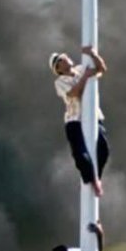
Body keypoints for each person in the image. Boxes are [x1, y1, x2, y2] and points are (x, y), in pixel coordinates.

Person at [50, 50, 110, 196]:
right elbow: (74, 93)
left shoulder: (81, 69)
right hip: (75, 120)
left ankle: (97, 177)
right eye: (60, 60)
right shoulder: (60, 82)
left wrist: (92, 54)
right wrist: (86, 76)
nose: (65, 58)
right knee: (81, 154)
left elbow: (101, 68)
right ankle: (92, 181)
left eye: (64, 56)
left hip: (93, 116)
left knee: (103, 149)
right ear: (58, 68)